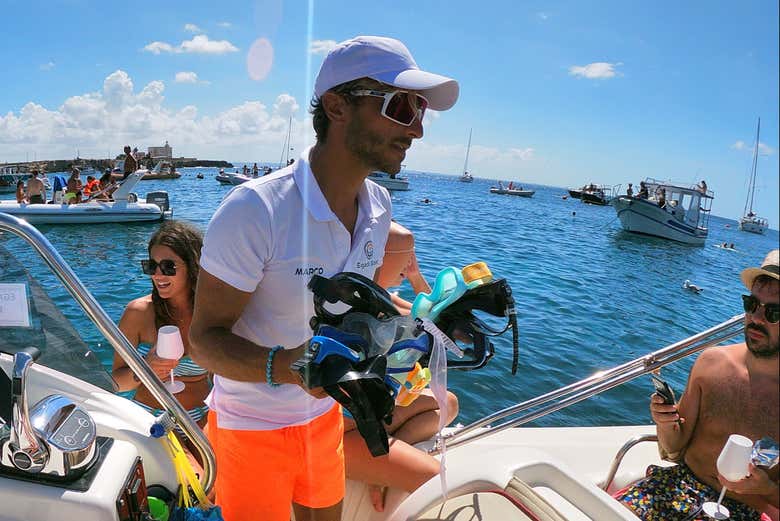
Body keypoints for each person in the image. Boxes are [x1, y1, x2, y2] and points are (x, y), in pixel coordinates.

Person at [189, 35, 459, 521]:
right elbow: (204, 342)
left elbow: (360, 317)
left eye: (421, 111)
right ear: (336, 107)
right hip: (249, 430)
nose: (417, 129)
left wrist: (431, 326)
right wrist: (289, 367)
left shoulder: (379, 208)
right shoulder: (256, 209)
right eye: (401, 107)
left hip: (327, 420)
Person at [618, 249, 780, 521]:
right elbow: (673, 450)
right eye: (751, 305)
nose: (756, 318)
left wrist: (768, 489)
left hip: (741, 512)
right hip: (676, 486)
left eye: (773, 312)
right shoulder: (711, 363)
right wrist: (666, 423)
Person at [346, 221, 459, 511]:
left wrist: (415, 276)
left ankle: (389, 451)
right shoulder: (357, 303)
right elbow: (426, 320)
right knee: (439, 481)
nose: (410, 260)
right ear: (379, 256)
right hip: (342, 428)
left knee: (448, 402)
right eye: (406, 255)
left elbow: (430, 315)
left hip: (369, 412)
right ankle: (380, 463)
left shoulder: (381, 293)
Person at [112, 221, 210, 463]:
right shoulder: (138, 312)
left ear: (193, 266)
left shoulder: (210, 312)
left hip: (202, 418)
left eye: (168, 267)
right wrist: (146, 369)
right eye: (151, 266)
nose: (157, 275)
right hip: (150, 419)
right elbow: (115, 383)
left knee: (214, 487)